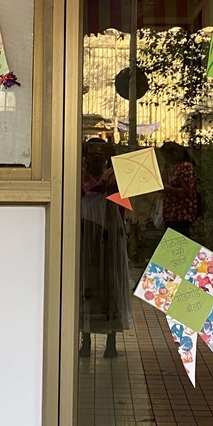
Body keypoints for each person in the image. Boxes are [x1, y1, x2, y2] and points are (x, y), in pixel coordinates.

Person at [79, 139, 133, 358]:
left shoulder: (116, 177)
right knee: (87, 282)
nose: (97, 158)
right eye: (92, 154)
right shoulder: (78, 176)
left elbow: (123, 202)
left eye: (101, 154)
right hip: (87, 232)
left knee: (111, 283)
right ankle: (85, 340)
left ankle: (111, 341)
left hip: (109, 233)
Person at [160, 141, 198, 237]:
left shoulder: (186, 167)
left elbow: (186, 192)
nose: (167, 160)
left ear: (174, 154)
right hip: (172, 215)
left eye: (167, 157)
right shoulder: (178, 168)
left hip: (180, 215)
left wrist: (168, 189)